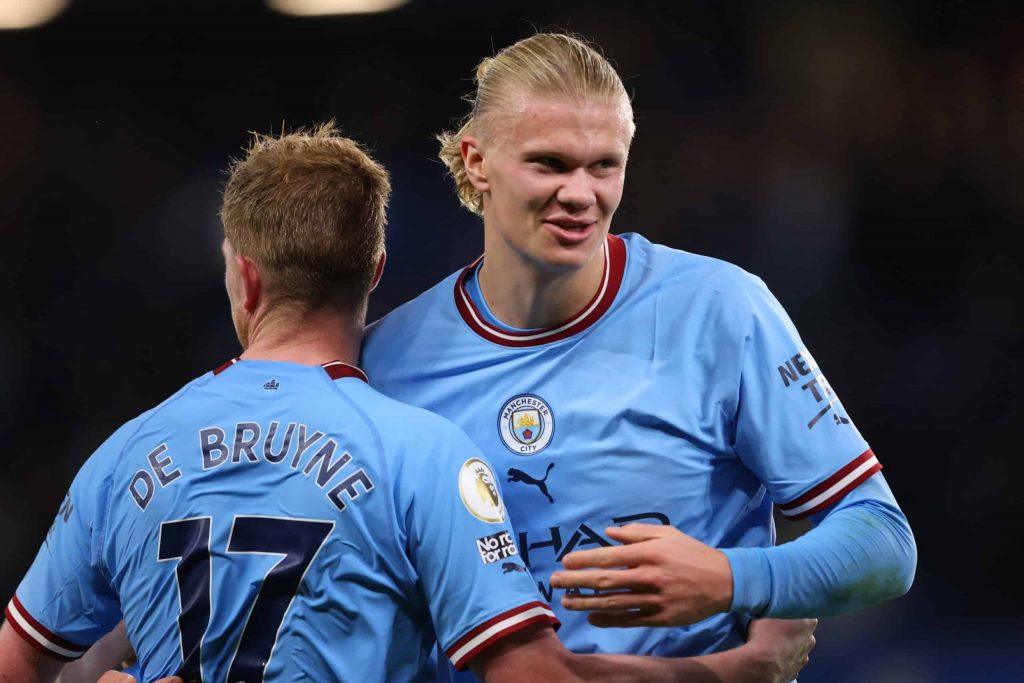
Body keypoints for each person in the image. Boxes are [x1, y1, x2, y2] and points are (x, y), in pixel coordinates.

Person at [1, 124, 815, 683]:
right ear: (377, 267)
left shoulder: (124, 455)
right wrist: (735, 667)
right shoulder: (425, 453)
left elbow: (17, 661)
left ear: (244, 276)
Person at [361, 31, 917, 676]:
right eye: (550, 164)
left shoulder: (719, 309)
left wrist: (731, 578)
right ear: (477, 162)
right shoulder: (389, 362)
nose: (581, 193)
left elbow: (882, 543)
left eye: (604, 165)